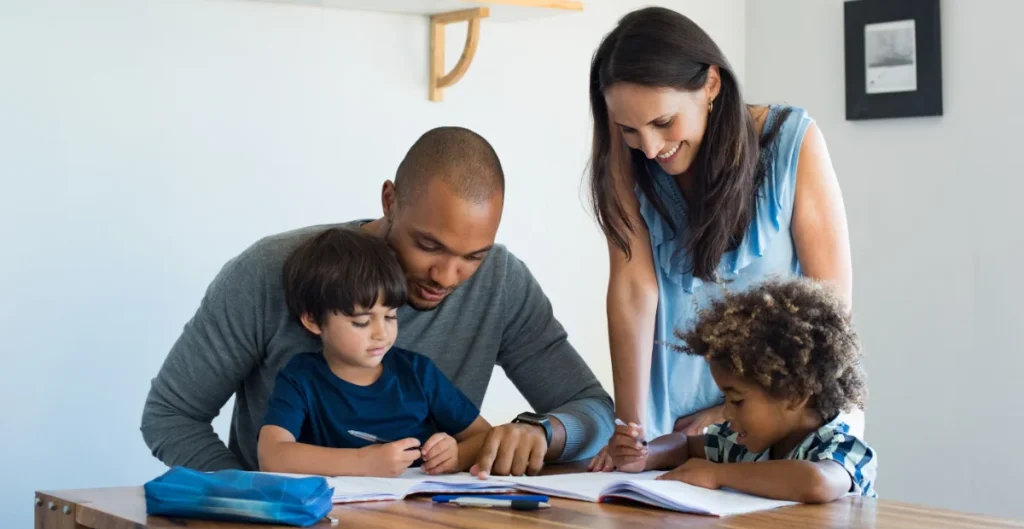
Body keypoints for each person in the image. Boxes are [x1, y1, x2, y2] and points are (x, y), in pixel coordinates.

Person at [141, 126, 614, 477]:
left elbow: (592, 409)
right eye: (429, 246)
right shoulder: (270, 271)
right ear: (390, 200)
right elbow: (171, 416)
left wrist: (543, 432)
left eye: (473, 256)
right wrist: (253, 500)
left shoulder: (501, 282)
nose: (447, 277)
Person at [584, 7, 856, 471]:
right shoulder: (627, 163)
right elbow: (633, 292)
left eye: (663, 123)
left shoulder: (793, 143)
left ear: (711, 84)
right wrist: (630, 430)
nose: (649, 147)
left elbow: (828, 310)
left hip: (781, 425)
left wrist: (726, 413)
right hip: (668, 431)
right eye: (629, 129)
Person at [607, 278, 877, 503]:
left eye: (737, 401)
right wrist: (644, 456)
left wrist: (717, 475)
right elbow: (684, 445)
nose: (725, 413)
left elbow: (815, 482)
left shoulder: (840, 445)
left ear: (794, 395)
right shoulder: (744, 443)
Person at [257, 227, 491, 477]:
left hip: (418, 510)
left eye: (390, 316)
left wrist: (457, 455)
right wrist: (363, 462)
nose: (381, 334)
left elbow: (485, 436)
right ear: (313, 321)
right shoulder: (300, 378)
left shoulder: (418, 374)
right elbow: (272, 455)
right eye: (361, 322)